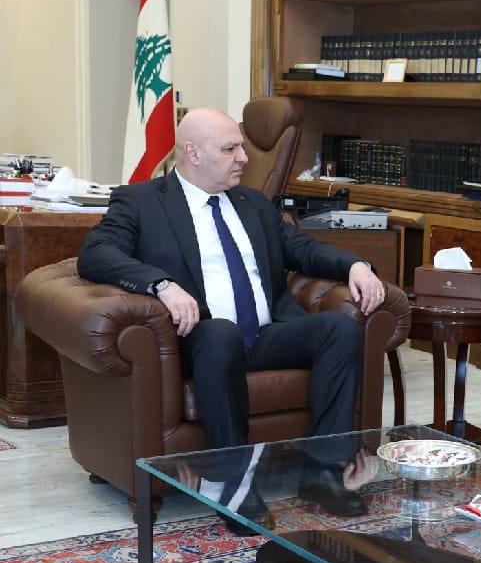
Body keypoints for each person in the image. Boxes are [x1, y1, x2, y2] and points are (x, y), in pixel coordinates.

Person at [78, 107, 387, 522]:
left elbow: (302, 249)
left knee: (339, 328)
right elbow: (96, 254)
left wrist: (355, 266)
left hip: (264, 335)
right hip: (200, 339)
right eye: (229, 149)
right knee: (220, 333)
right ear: (193, 153)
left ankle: (323, 469)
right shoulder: (142, 201)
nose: (243, 157)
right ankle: (233, 481)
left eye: (241, 146)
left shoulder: (251, 202)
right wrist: (161, 285)